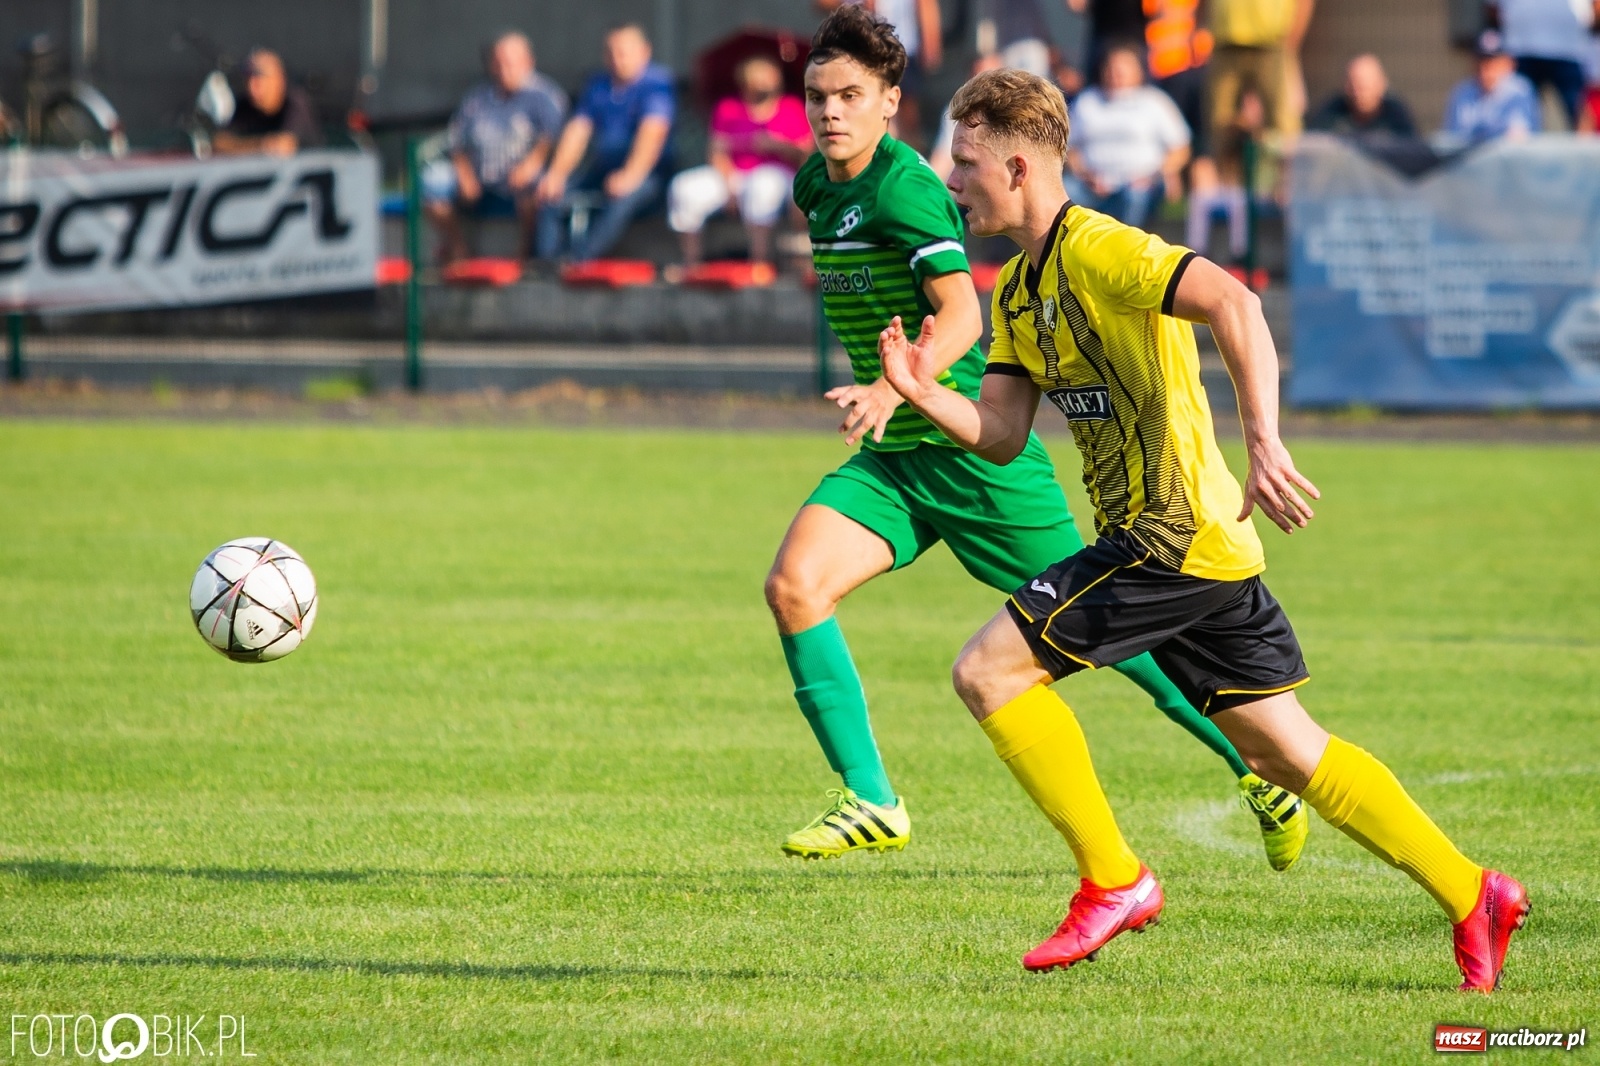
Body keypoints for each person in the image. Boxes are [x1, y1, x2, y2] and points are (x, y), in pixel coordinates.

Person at [877, 66, 1527, 990]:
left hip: (1169, 537)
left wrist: (1263, 440)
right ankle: (1474, 892)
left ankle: (1114, 878)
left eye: (967, 160)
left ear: (1018, 166)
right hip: (1201, 552)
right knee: (1287, 752)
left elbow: (1236, 301)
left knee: (987, 671)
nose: (953, 178)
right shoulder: (1021, 291)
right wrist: (920, 390)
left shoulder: (1101, 248)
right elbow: (1002, 434)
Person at [769, 5, 1310, 873]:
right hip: (899, 455)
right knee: (795, 587)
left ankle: (1257, 768)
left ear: (889, 103)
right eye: (816, 95)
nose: (829, 112)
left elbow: (959, 313)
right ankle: (872, 798)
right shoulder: (814, 185)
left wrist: (889, 383)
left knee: (1128, 640)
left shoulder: (907, 189)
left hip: (977, 454)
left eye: (849, 95)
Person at [535, 24, 675, 263]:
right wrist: (556, 173)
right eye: (610, 52)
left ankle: (579, 261)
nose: (616, 59)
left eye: (623, 52)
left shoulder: (656, 84)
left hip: (648, 174)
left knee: (621, 199)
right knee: (551, 193)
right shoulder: (598, 85)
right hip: (603, 169)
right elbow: (578, 131)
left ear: (644, 52)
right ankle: (547, 263)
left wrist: (630, 175)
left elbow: (652, 134)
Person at [426, 32, 567, 264]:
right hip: (478, 177)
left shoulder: (544, 96)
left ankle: (524, 258)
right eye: (498, 62)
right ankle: (458, 248)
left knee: (537, 188)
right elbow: (456, 141)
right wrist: (464, 173)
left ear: (528, 62)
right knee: (433, 181)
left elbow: (553, 138)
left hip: (521, 178)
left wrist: (531, 164)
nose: (504, 69)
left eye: (510, 63)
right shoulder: (477, 97)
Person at [666, 55, 812, 274]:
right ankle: (691, 263)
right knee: (683, 187)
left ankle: (758, 262)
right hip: (734, 174)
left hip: (778, 175)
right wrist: (729, 185)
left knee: (763, 184)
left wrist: (777, 145)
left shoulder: (791, 107)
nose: (765, 82)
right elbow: (717, 151)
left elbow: (807, 154)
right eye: (759, 76)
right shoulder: (728, 108)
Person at [1065, 43, 1191, 227]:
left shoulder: (1154, 101)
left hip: (1141, 184)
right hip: (1091, 184)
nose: (1116, 73)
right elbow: (1069, 148)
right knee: (1064, 191)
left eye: (1123, 68)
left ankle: (1123, 252)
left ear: (1138, 71)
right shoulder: (1087, 101)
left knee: (1135, 197)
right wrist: (1086, 175)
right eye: (1112, 68)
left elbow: (1181, 149)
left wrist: (1154, 175)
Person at [1206, 0, 1313, 184]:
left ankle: (1287, 190)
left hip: (1271, 42)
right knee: (1222, 126)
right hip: (1225, 41)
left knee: (1283, 124)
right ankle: (1229, 192)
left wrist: (1291, 43)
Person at [815, 0, 943, 149]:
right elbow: (822, 4)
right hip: (857, 54)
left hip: (904, 51)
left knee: (908, 117)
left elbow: (925, 5)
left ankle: (908, 159)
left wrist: (931, 42)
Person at [1495, 0, 1595, 128]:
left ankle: (1587, 148)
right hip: (1521, 49)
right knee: (1520, 115)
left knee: (1578, 109)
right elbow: (1494, 9)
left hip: (1569, 50)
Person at [212, 49, 323, 157]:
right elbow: (219, 144)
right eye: (248, 79)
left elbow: (282, 147)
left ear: (279, 80)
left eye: (259, 79)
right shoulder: (244, 105)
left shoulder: (295, 103)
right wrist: (262, 144)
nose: (252, 88)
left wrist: (241, 146)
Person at [1443, 30, 1541, 145]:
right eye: (1481, 61)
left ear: (1509, 63)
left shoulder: (1519, 91)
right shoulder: (1463, 92)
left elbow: (1517, 140)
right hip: (1470, 161)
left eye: (1493, 63)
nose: (1485, 70)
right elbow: (1452, 140)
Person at [1307, 53, 1417, 136]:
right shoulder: (1331, 113)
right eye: (1352, 86)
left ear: (1381, 86)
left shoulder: (1396, 115)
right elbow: (1314, 144)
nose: (1357, 94)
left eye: (1364, 88)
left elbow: (1411, 150)